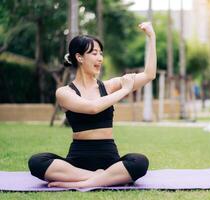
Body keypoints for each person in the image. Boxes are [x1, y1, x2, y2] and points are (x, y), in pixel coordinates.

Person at [28, 22, 156, 188]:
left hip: (110, 159)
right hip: (76, 162)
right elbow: (92, 108)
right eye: (95, 53)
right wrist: (124, 90)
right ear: (79, 57)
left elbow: (149, 75)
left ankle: (83, 183)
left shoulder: (109, 86)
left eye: (101, 53)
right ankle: (103, 178)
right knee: (37, 161)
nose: (100, 58)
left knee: (139, 161)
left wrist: (151, 37)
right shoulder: (65, 92)